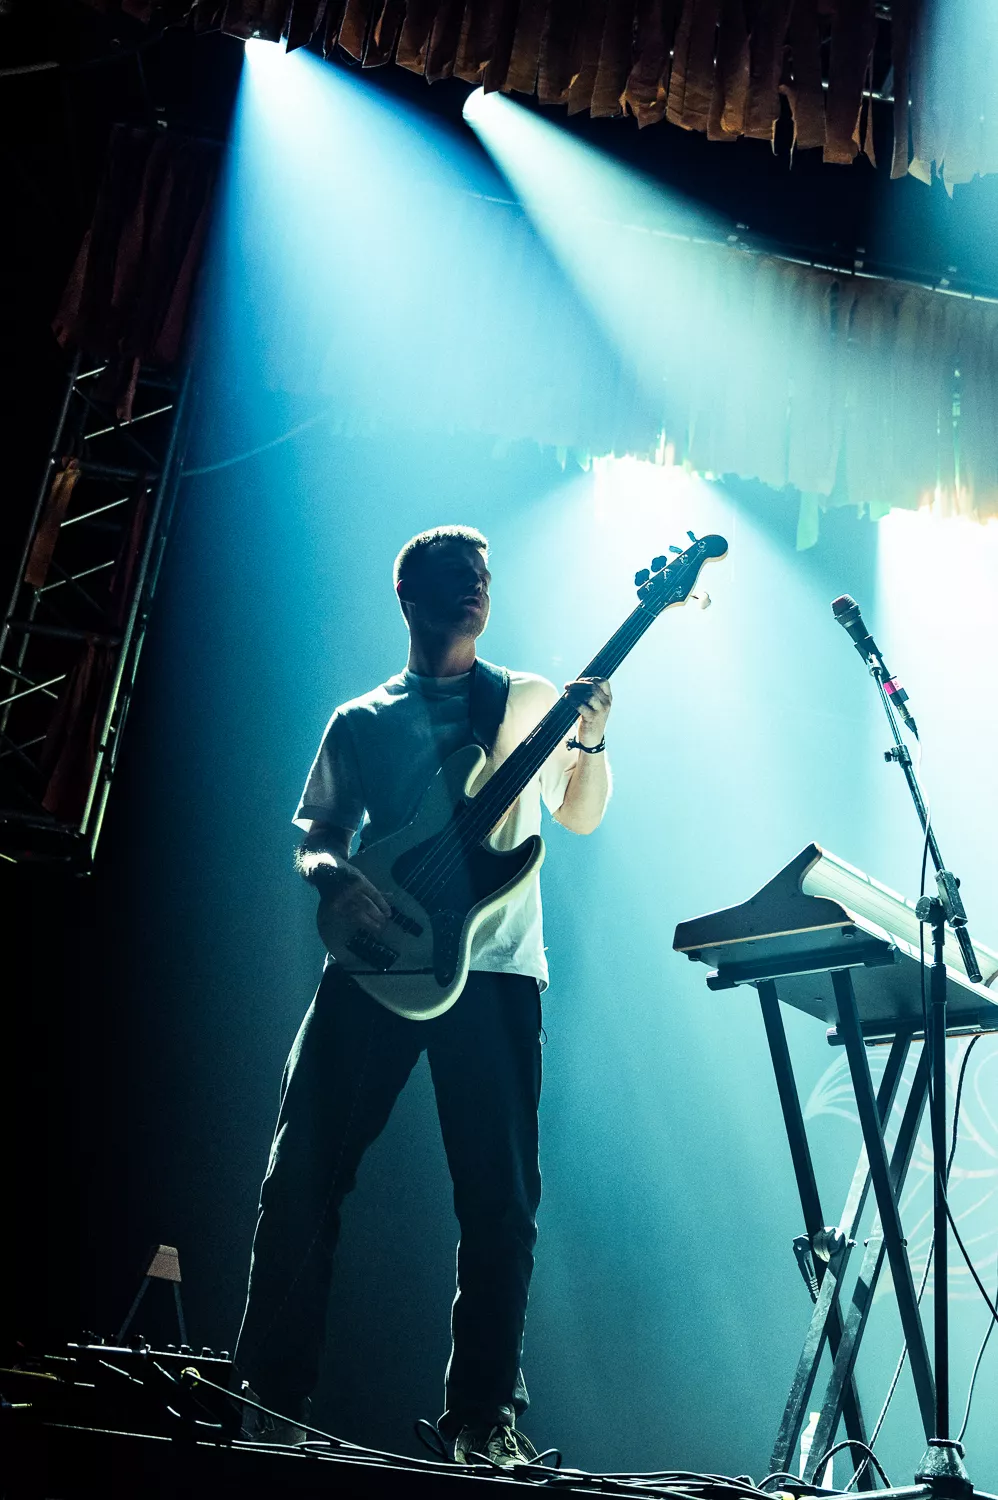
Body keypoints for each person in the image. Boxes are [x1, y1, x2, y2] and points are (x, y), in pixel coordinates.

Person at [234, 524, 611, 1467]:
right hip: (377, 961)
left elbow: (577, 813)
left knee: (500, 1202)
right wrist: (334, 879)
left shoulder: (526, 700)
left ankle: (481, 1421)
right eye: (455, 575)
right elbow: (318, 834)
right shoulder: (362, 719)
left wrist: (593, 737)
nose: (475, 586)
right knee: (302, 1172)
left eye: (482, 574)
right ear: (409, 595)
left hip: (496, 970)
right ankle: (269, 1399)